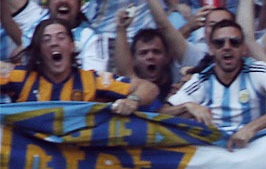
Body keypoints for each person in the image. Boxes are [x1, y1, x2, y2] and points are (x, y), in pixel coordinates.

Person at [161, 20, 266, 151]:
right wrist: (187, 106)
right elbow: (161, 115)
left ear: (244, 48)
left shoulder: (259, 71)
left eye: (234, 42)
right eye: (220, 43)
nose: (227, 47)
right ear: (211, 49)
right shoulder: (201, 81)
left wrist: (251, 128)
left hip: (256, 152)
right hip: (216, 156)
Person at [0, 17, 157, 111]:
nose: (54, 43)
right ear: (39, 50)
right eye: (46, 39)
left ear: (72, 46)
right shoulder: (20, 77)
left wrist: (133, 101)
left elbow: (149, 88)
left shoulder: (92, 81)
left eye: (61, 37)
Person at [1, 0, 108, 70]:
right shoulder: (34, 18)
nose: (64, 0)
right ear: (47, 3)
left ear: (80, 5)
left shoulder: (92, 38)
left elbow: (91, 82)